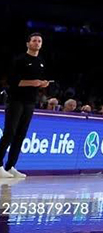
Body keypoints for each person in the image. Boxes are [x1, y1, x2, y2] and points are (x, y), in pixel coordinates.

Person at [0, 33, 49, 179]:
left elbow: (36, 82)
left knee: (21, 135)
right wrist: (32, 82)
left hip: (30, 102)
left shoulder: (41, 61)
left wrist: (42, 84)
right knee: (10, 132)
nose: (37, 43)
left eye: (39, 41)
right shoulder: (20, 60)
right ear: (28, 43)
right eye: (34, 40)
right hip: (16, 100)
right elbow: (13, 81)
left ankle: (10, 166)